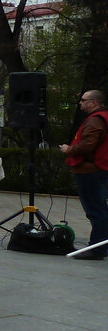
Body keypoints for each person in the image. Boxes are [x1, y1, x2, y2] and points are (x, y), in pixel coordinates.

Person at [61, 90, 108, 260]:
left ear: (94, 102)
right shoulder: (102, 118)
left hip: (90, 171)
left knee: (96, 210)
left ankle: (97, 248)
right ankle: (102, 245)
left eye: (83, 100)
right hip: (98, 169)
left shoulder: (95, 120)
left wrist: (69, 150)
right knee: (100, 208)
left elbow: (89, 145)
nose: (80, 103)